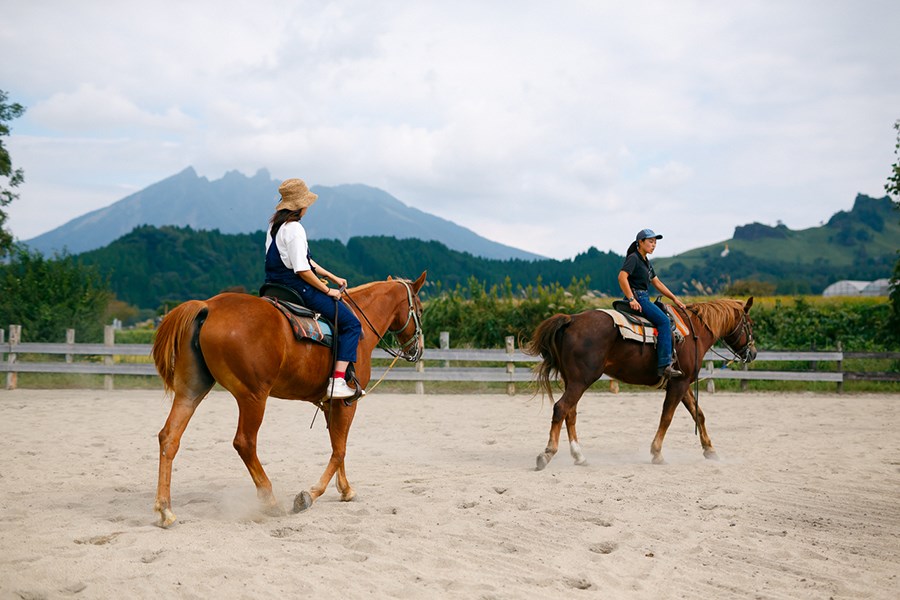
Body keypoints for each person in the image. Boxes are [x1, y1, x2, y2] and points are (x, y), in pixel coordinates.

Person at [264, 178, 363, 399]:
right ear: (301, 206)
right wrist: (328, 291)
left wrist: (329, 275)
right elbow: (302, 270)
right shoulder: (296, 229)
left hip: (273, 286)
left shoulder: (274, 227)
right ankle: (337, 380)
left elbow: (303, 261)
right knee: (351, 324)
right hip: (297, 287)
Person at [617, 228, 687, 379]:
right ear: (640, 242)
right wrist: (631, 299)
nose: (654, 245)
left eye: (655, 242)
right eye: (650, 241)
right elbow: (622, 277)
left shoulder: (646, 262)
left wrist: (675, 299)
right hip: (639, 298)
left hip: (643, 297)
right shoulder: (634, 258)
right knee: (663, 321)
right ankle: (664, 365)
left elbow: (658, 283)